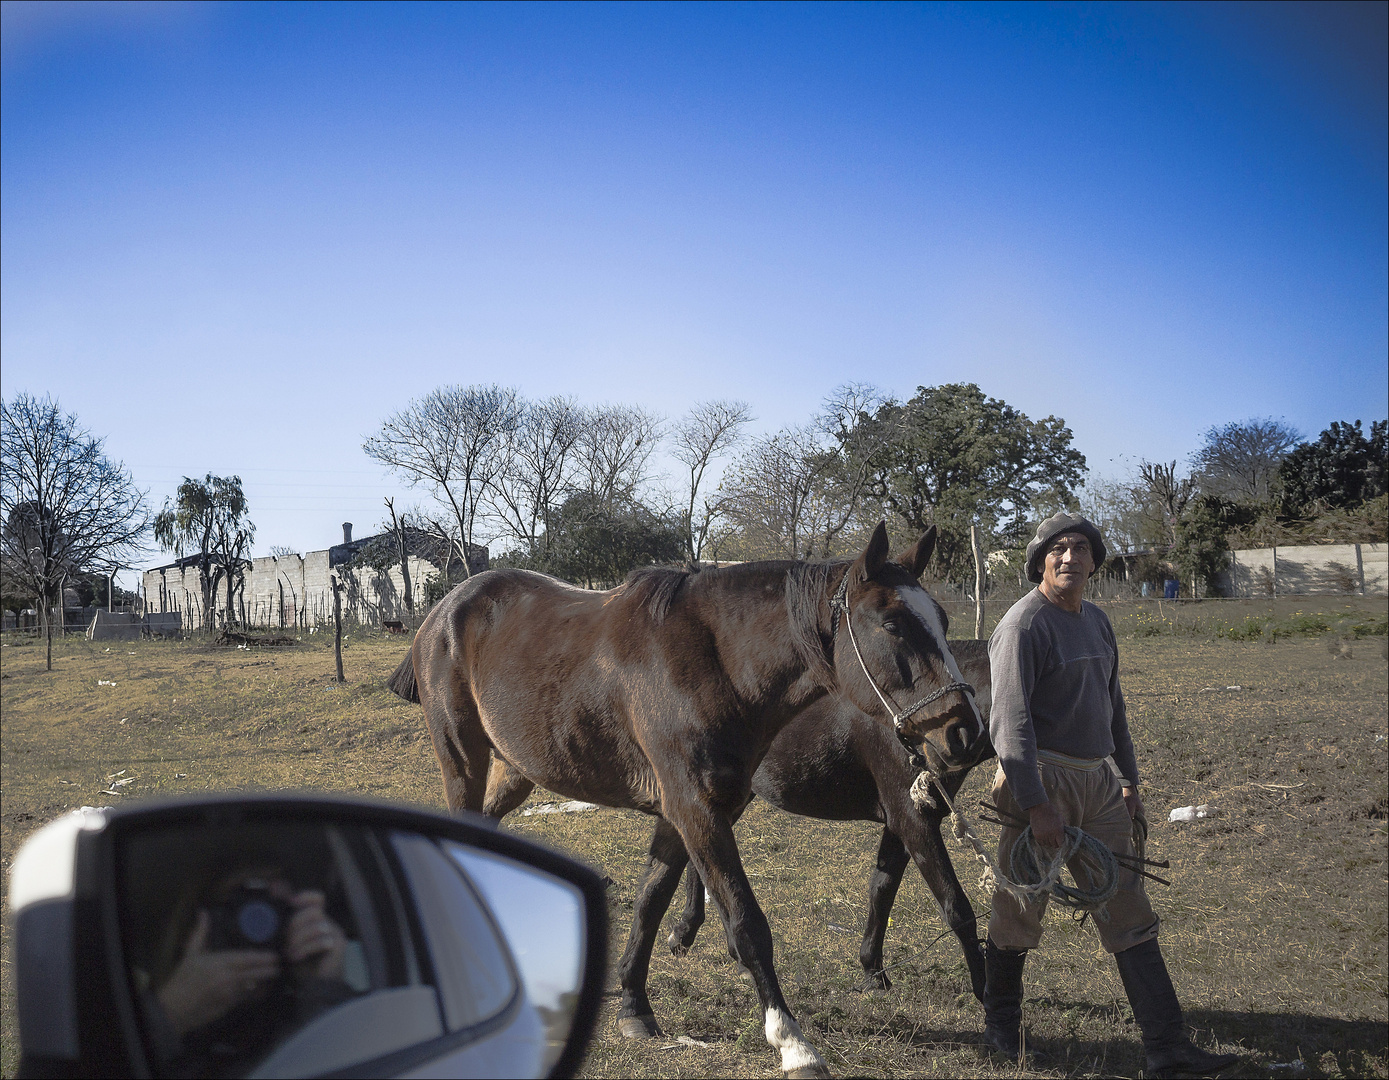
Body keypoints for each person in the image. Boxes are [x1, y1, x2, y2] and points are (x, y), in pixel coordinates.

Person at [983, 512, 1238, 1078]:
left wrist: (1128, 781)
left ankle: (1167, 1048)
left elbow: (1113, 706)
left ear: (1095, 561)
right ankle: (1000, 1029)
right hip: (1040, 781)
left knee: (1127, 906)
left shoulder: (1097, 622)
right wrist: (1035, 804)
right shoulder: (1023, 626)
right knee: (1020, 906)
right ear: (1040, 561)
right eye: (1058, 550)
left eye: (1080, 548)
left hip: (1098, 782)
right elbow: (1011, 725)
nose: (1069, 558)